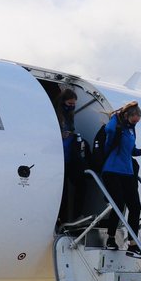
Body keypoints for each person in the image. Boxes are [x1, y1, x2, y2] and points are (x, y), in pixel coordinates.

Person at [100, 101, 141, 250]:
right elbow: (108, 129)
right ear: (127, 116)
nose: (135, 123)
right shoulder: (116, 127)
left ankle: (133, 242)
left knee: (135, 206)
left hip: (127, 172)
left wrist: (140, 151)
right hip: (113, 170)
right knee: (119, 204)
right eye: (134, 120)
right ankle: (110, 238)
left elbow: (131, 150)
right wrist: (117, 115)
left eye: (137, 122)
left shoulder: (131, 130)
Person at [56, 88, 86, 226]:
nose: (72, 106)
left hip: (70, 158)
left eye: (74, 104)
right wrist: (59, 135)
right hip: (60, 158)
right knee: (63, 192)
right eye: (69, 103)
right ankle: (62, 218)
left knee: (80, 184)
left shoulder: (70, 117)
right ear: (63, 102)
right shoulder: (57, 115)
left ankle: (76, 215)